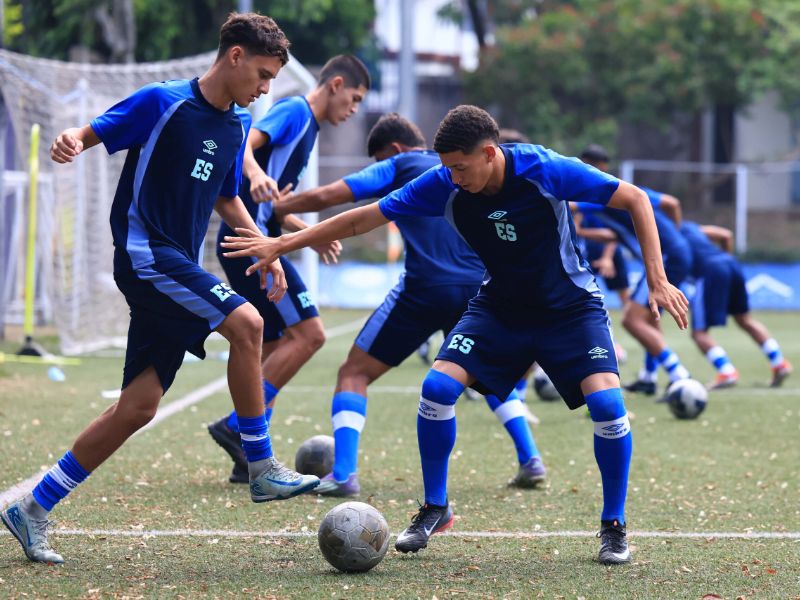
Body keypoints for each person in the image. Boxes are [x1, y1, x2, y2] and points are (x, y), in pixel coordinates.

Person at [221, 105, 689, 564]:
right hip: (498, 307)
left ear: (490, 152)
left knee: (608, 405)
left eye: (461, 167)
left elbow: (635, 199)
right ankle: (436, 507)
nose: (454, 178)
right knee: (437, 388)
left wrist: (657, 277)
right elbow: (365, 217)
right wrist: (282, 242)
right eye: (448, 168)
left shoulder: (545, 169)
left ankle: (613, 525)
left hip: (569, 308)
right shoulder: (443, 182)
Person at [0, 13, 321, 565]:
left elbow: (226, 198)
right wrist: (71, 140)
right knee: (249, 324)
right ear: (235, 56)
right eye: (263, 74)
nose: (266, 89)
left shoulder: (237, 125)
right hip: (146, 254)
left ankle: (32, 507)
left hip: (174, 264)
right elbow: (91, 131)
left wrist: (264, 249)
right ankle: (261, 466)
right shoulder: (162, 101)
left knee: (138, 406)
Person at [272, 112, 546, 496]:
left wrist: (281, 207)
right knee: (492, 376)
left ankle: (345, 473)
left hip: (424, 288)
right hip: (478, 291)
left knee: (354, 373)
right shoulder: (464, 169)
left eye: (380, 160)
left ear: (395, 150)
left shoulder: (403, 165)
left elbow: (335, 193)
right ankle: (530, 458)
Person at [206, 54, 369, 483]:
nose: (352, 110)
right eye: (353, 99)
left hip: (256, 239)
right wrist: (255, 173)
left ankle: (249, 456)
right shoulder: (296, 111)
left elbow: (273, 205)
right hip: (252, 244)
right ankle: (238, 427)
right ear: (335, 85)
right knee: (310, 334)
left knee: (276, 345)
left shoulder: (308, 131)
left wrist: (306, 234)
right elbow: (242, 139)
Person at [576, 146, 693, 397]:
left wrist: (674, 236)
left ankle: (680, 376)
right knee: (651, 317)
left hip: (670, 256)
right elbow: (597, 224)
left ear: (601, 167)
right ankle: (649, 377)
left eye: (588, 165)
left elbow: (673, 203)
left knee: (631, 320)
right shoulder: (598, 197)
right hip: (675, 254)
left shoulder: (615, 190)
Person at [680, 221, 792, 388]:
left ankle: (726, 371)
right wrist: (725, 259)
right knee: (745, 320)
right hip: (732, 265)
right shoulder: (691, 228)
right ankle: (779, 363)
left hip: (710, 270)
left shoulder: (666, 234)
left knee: (699, 333)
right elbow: (726, 235)